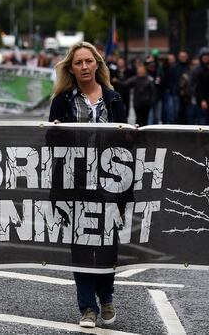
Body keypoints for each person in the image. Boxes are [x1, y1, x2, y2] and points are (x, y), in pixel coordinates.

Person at [47, 42, 127, 328]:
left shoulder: (114, 99)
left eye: (88, 62)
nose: (83, 67)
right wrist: (55, 132)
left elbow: (125, 142)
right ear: (71, 68)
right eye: (78, 63)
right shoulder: (63, 101)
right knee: (80, 244)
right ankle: (87, 307)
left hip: (109, 182)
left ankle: (106, 298)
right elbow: (51, 144)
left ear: (97, 65)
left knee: (107, 243)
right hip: (75, 182)